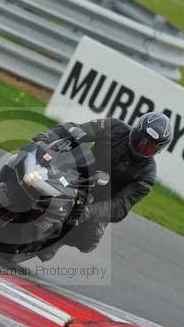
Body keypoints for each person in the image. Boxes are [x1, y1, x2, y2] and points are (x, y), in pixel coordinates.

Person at [32, 112, 173, 261]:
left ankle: (59, 240)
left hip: (101, 201)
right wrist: (49, 137)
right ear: (136, 130)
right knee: (54, 159)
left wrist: (88, 211)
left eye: (149, 148)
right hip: (78, 174)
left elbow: (120, 206)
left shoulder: (147, 174)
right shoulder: (113, 127)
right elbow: (78, 130)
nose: (141, 147)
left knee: (92, 236)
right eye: (141, 140)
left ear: (157, 151)